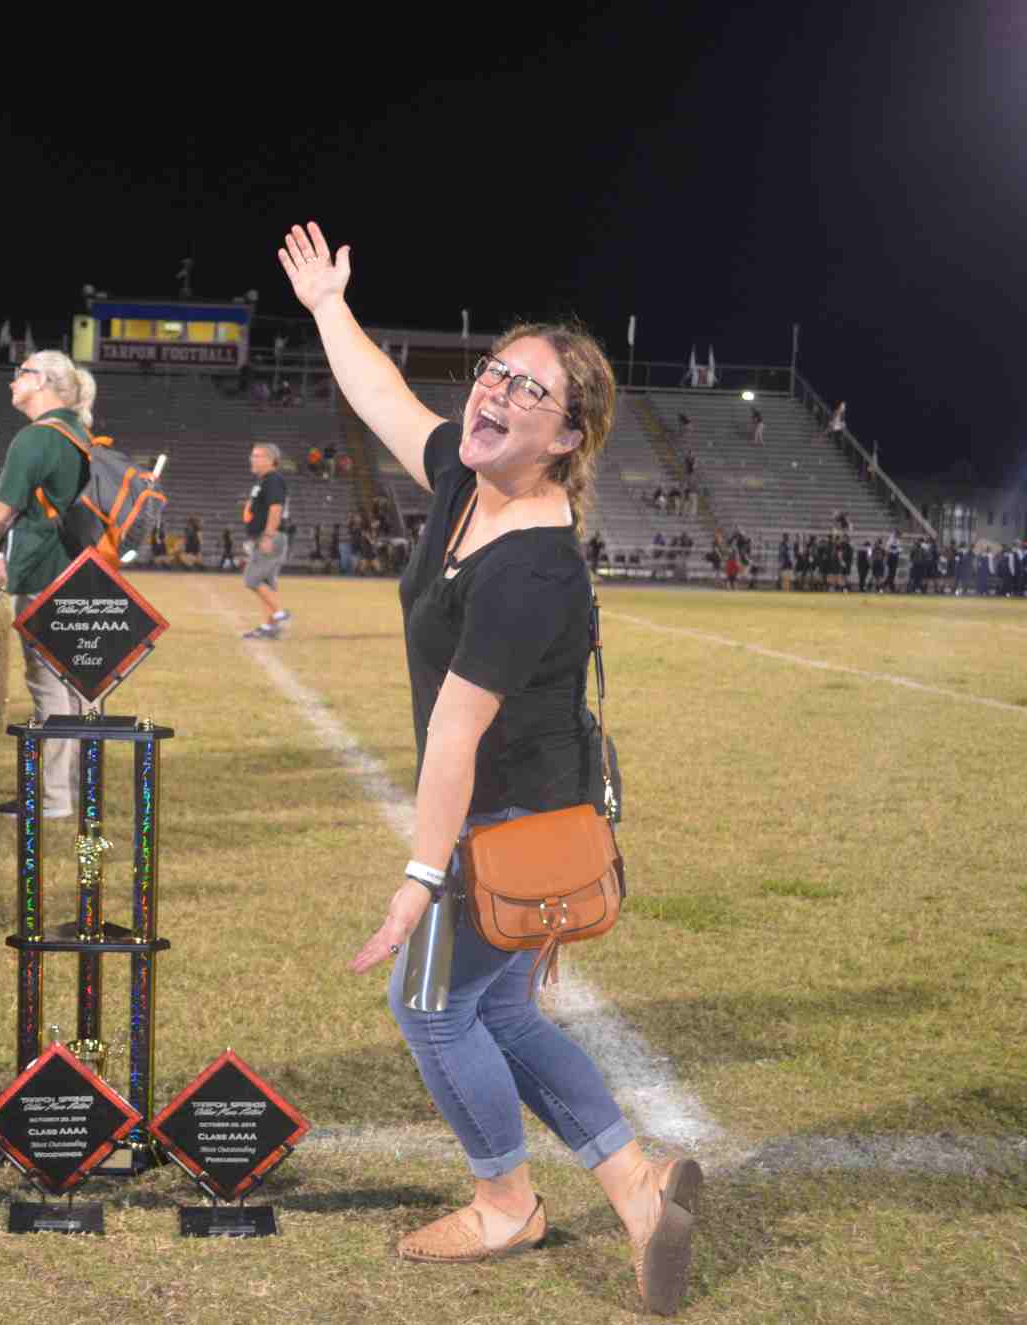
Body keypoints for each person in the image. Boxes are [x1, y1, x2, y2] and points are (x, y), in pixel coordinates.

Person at [280, 221, 700, 1313]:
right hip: (522, 808)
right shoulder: (470, 485)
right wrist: (328, 308)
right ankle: (637, 1186)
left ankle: (505, 1202)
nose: (495, 392)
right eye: (493, 372)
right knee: (502, 1014)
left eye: (528, 388)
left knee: (428, 1005)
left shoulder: (531, 567)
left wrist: (421, 877)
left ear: (565, 436)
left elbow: (457, 734)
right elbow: (384, 399)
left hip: (509, 820)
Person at [0, 349, 96, 820]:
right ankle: (73, 789)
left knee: (47, 685)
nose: (13, 380)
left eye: (21, 373)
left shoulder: (35, 438)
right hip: (81, 572)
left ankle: (52, 799)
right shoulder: (79, 434)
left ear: (43, 382)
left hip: (42, 573)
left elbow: (1, 512)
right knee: (75, 687)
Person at [241, 442, 292, 638]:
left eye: (257, 456)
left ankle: (280, 614)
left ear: (271, 460)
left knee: (252, 579)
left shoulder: (273, 480)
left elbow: (276, 508)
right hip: (264, 536)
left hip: (270, 536)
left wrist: (268, 535)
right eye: (252, 455)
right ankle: (269, 626)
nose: (252, 459)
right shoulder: (263, 481)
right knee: (265, 583)